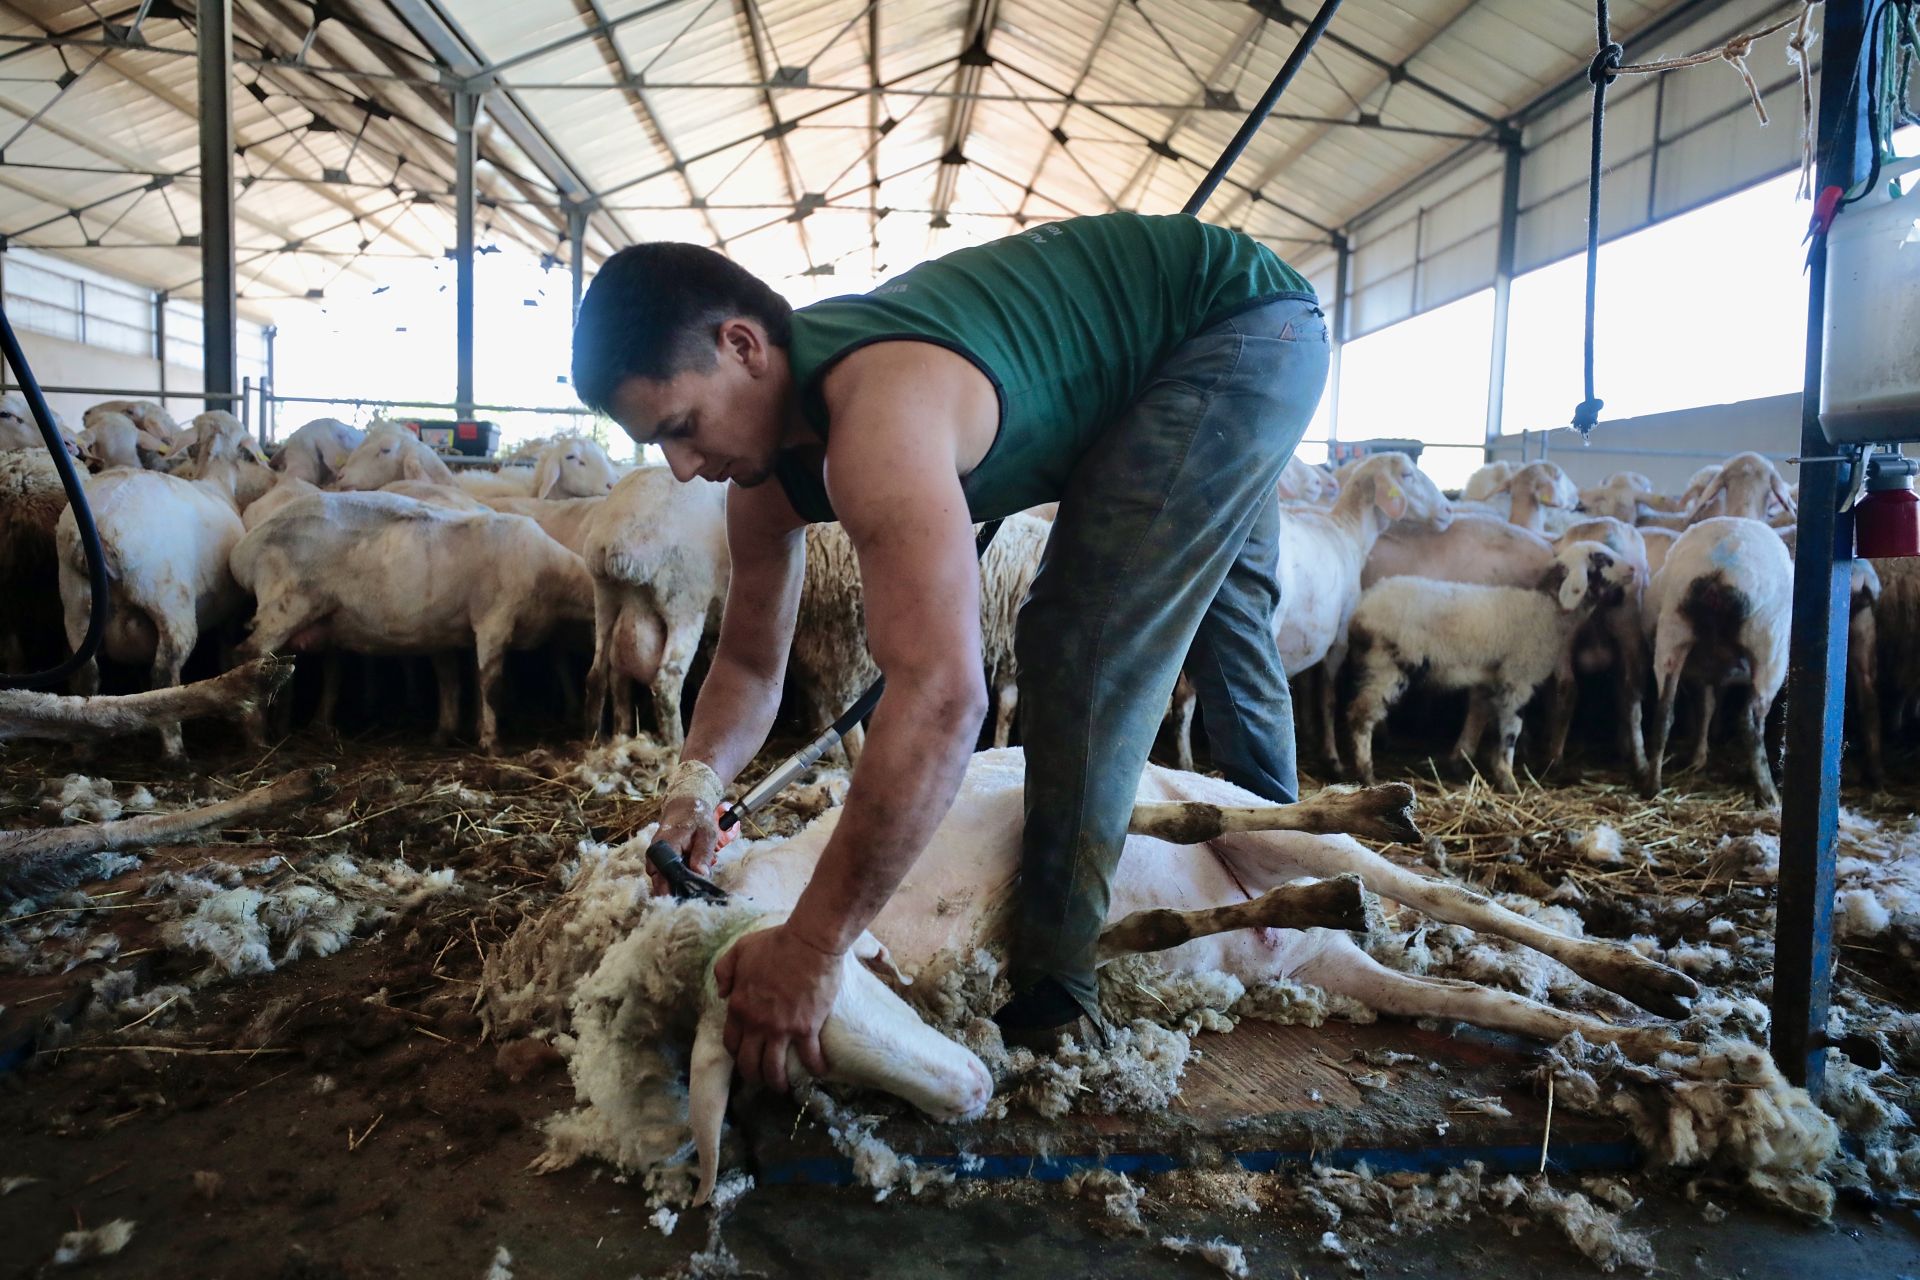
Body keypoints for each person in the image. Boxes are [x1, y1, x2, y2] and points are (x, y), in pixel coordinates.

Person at [571, 211, 1328, 1091]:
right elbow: (746, 664)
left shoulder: (876, 417)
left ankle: (1057, 983)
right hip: (1189, 342)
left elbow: (942, 698)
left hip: (1238, 326)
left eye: (683, 425)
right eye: (659, 443)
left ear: (743, 346)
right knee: (1226, 626)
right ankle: (1284, 890)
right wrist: (696, 787)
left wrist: (814, 947)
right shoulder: (767, 477)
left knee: (1080, 636)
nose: (680, 467)